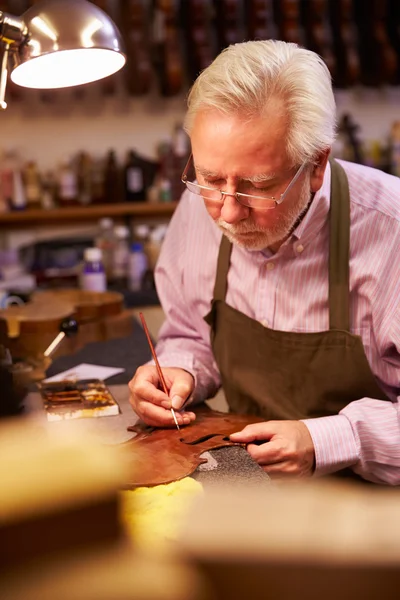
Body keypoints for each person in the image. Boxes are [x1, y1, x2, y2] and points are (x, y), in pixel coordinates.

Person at [129, 40, 400, 485]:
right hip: (245, 488)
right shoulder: (200, 208)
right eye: (211, 178)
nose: (228, 212)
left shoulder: (390, 230)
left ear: (316, 165)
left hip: (372, 510)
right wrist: (179, 371)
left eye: (258, 187)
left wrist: (330, 440)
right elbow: (192, 333)